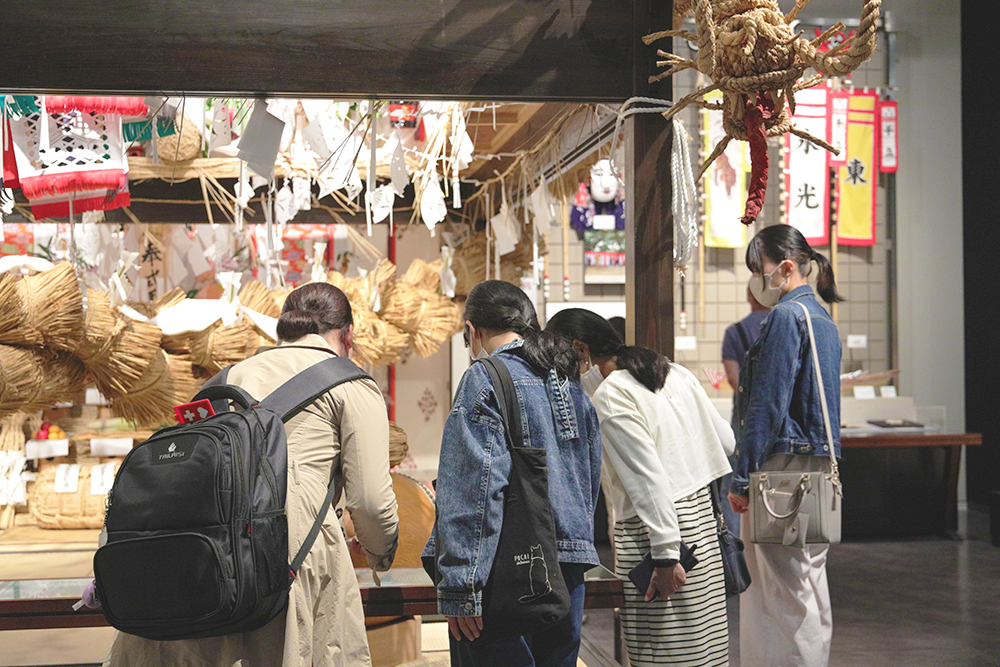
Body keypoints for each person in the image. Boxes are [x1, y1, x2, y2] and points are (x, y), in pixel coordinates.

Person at [104, 282, 400, 667]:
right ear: (347, 335)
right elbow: (372, 503)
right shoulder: (351, 384)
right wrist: (379, 550)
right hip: (291, 551)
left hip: (209, 554)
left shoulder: (225, 380)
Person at [424, 280, 602, 667]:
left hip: (504, 576)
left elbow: (473, 488)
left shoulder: (484, 377)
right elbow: (588, 478)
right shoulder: (567, 380)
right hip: (565, 574)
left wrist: (461, 586)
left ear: (472, 331)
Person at [547, 308, 735, 667]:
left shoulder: (612, 396)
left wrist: (666, 557)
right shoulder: (672, 371)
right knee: (706, 654)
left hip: (659, 539)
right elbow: (725, 441)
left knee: (662, 654)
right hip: (703, 533)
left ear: (580, 349)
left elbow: (649, 482)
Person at [728, 225, 844, 667]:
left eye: (761, 271)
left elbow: (768, 402)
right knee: (808, 583)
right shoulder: (821, 317)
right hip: (816, 467)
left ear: (786, 267)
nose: (760, 281)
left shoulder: (785, 317)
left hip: (780, 466)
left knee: (781, 590)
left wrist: (742, 475)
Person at [718, 288, 770, 538]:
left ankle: (736, 548)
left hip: (744, 417)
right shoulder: (782, 328)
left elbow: (732, 378)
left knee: (734, 483)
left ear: (750, 296)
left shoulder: (734, 332)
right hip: (776, 422)